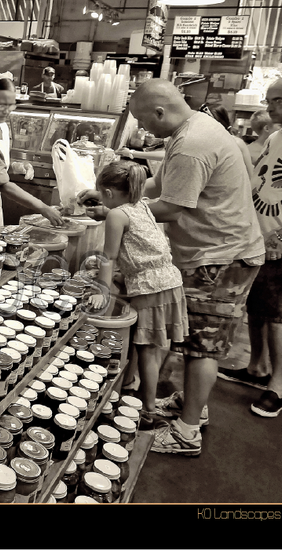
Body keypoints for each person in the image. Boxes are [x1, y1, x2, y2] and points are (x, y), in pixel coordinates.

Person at [83, 78, 264, 456]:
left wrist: (117, 212)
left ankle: (187, 431)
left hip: (220, 258)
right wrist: (113, 197)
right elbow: (156, 186)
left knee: (202, 347)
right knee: (196, 340)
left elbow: (172, 208)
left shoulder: (192, 145)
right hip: (212, 252)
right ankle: (191, 404)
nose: (142, 128)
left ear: (160, 112)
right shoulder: (191, 130)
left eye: (142, 120)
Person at [87, 161, 188, 427]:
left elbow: (109, 257)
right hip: (170, 280)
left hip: (150, 286)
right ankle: (133, 387)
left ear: (108, 193)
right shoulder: (141, 204)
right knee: (154, 345)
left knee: (148, 350)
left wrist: (102, 291)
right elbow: (140, 247)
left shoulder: (116, 214)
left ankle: (148, 410)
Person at [217, 76, 282, 418]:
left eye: (278, 100)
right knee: (258, 308)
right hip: (259, 237)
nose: (270, 107)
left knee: (278, 314)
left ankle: (278, 387)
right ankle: (257, 367)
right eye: (269, 99)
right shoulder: (276, 137)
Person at [0, 71, 64, 227]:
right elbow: (1, 183)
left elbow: (0, 166)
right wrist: (43, 208)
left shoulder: (3, 127)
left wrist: (17, 166)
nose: (6, 111)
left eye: (10, 104)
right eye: (0, 104)